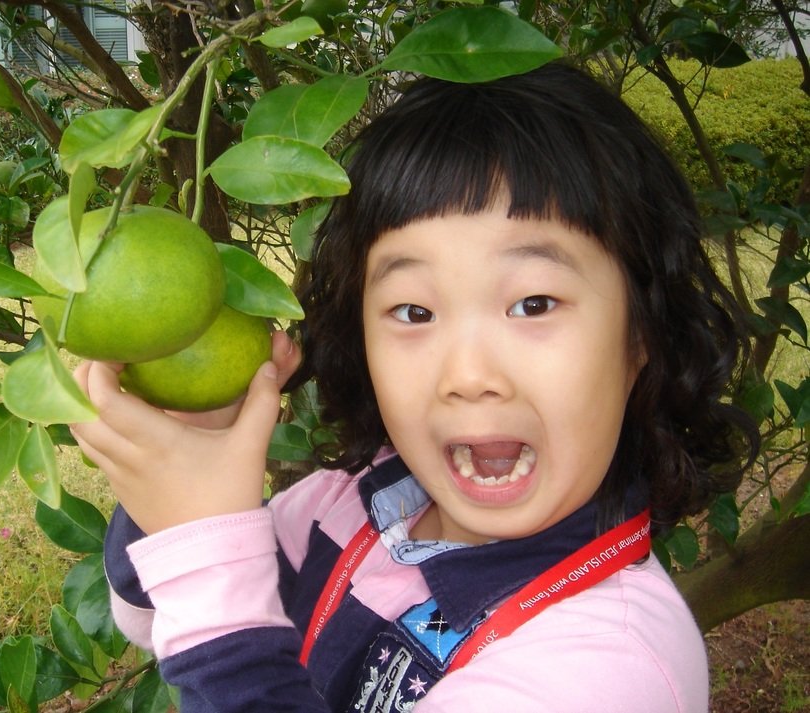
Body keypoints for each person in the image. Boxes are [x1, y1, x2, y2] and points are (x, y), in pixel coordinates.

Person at [72, 60, 759, 712]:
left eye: (534, 303)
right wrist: (192, 461)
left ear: (639, 335)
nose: (467, 376)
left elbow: (219, 616)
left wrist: (209, 544)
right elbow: (160, 611)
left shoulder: (613, 664)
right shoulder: (341, 509)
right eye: (414, 311)